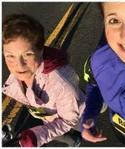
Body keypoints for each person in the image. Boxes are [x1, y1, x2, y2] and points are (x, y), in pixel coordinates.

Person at [2, 14, 85, 147]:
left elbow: (68, 120)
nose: (19, 65)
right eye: (10, 55)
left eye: (27, 54)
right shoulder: (21, 74)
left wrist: (38, 136)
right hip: (50, 116)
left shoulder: (62, 85)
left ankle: (76, 139)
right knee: (56, 132)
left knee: (85, 128)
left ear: (41, 50)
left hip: (74, 116)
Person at [81, 2, 125, 147]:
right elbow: (95, 85)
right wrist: (89, 114)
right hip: (121, 131)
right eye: (114, 20)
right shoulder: (100, 58)